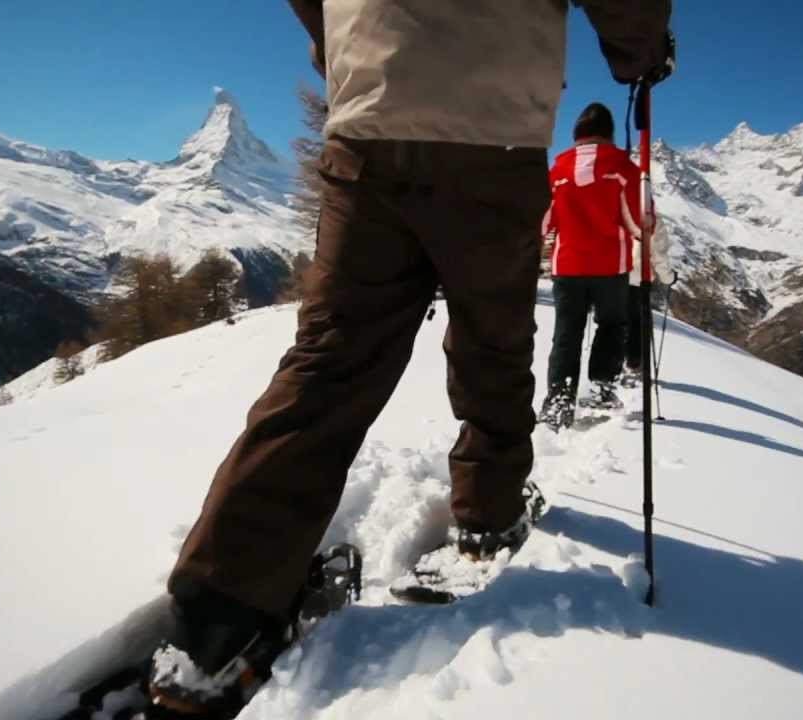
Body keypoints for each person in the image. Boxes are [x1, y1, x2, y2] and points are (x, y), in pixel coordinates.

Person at [153, 1, 673, 713]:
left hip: (370, 126)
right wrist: (640, 54)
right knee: (493, 343)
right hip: (495, 134)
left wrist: (341, 45)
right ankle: (490, 512)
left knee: (329, 361)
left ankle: (219, 613)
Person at [538, 102, 640, 429]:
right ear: (609, 134)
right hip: (611, 266)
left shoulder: (557, 171)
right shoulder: (624, 169)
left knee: (566, 334)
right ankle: (601, 387)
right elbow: (639, 224)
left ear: (576, 134)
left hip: (567, 266)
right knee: (611, 326)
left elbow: (543, 222)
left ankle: (558, 403)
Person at [625, 218, 677, 381]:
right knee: (638, 324)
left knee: (614, 322)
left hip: (614, 276)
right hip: (639, 279)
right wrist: (668, 278)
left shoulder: (613, 206)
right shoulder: (652, 217)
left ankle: (612, 365)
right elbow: (659, 255)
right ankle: (634, 365)